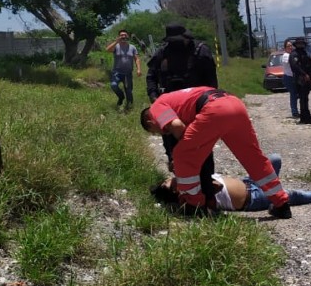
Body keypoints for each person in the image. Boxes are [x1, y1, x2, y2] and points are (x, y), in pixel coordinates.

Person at [140, 86, 293, 219]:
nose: (162, 133)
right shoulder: (177, 98)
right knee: (254, 158)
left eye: (155, 132)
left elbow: (177, 125)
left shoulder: (156, 107)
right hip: (235, 104)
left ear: (150, 122)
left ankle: (194, 206)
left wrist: (181, 152)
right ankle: (281, 204)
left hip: (214, 110)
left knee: (181, 155)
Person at [146, 22, 218, 195]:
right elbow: (151, 77)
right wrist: (155, 99)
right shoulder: (162, 53)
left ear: (187, 38)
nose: (177, 43)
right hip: (169, 109)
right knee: (173, 151)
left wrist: (209, 105)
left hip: (197, 108)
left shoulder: (201, 52)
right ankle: (185, 191)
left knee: (201, 149)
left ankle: (206, 189)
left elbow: (212, 83)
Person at [150, 153, 311, 213]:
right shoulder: (192, 197)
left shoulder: (189, 181)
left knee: (274, 159)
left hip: (250, 182)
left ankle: (273, 187)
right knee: (292, 196)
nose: (172, 180)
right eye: (170, 183)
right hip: (252, 199)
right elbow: (217, 187)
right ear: (175, 194)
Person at [106, 29, 141, 109]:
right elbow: (108, 50)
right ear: (119, 36)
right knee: (113, 85)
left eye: (125, 35)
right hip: (117, 72)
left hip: (127, 73)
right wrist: (116, 41)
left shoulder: (132, 47)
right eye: (121, 35)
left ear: (127, 36)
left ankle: (130, 106)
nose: (123, 36)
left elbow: (137, 59)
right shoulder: (116, 46)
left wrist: (138, 69)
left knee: (129, 91)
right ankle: (121, 97)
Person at [288, 37, 311, 125]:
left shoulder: (305, 53)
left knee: (305, 99)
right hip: (299, 79)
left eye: (302, 43)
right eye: (299, 43)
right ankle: (304, 118)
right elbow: (295, 66)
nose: (300, 45)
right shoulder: (294, 54)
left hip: (307, 79)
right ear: (296, 44)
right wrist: (304, 74)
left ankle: (307, 117)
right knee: (302, 99)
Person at [280, 39, 299, 118]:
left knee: (296, 94)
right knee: (294, 94)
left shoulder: (292, 55)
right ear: (285, 48)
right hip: (288, 78)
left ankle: (295, 110)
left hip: (294, 77)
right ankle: (294, 112)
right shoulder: (285, 56)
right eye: (288, 46)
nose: (290, 47)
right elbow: (293, 62)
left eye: (291, 45)